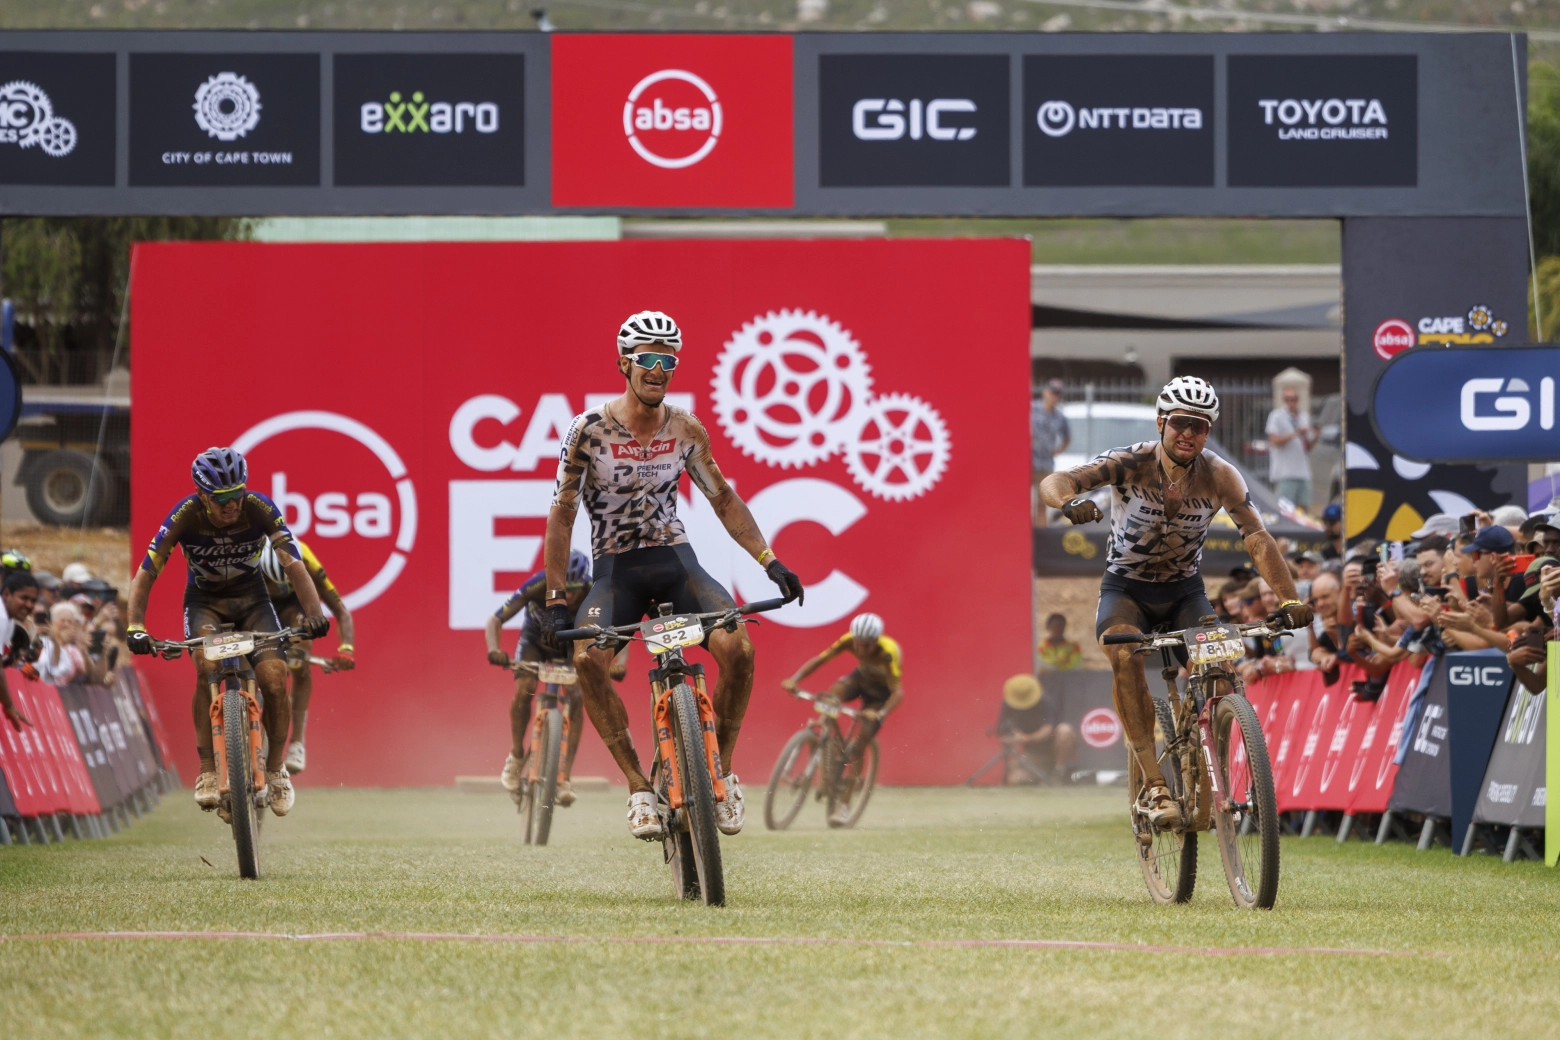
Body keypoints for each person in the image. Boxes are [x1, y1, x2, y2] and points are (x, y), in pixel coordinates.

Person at [544, 311, 804, 840]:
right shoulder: (587, 430)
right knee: (587, 661)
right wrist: (554, 599)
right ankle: (640, 789)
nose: (659, 370)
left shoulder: (686, 428)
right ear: (625, 364)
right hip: (616, 570)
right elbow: (562, 514)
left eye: (669, 360)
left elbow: (723, 499)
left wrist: (769, 560)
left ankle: (723, 775)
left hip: (676, 563)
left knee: (740, 651)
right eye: (648, 360)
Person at [1039, 375, 1311, 829]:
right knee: (1124, 654)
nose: (1189, 433)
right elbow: (1057, 479)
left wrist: (1289, 598)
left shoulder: (1220, 474)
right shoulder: (1131, 462)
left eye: (1201, 427)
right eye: (1182, 423)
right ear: (1162, 422)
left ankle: (1211, 758)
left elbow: (1257, 537)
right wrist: (1068, 503)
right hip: (1126, 589)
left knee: (1220, 658)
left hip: (1184, 590)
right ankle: (1155, 782)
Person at [125, 447, 330, 818]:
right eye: (222, 500)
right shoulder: (185, 515)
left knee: (274, 675)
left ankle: (276, 769)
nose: (232, 505)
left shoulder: (259, 507)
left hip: (253, 600)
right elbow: (146, 574)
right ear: (202, 496)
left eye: (237, 495)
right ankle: (206, 770)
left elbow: (294, 564)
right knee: (204, 666)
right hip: (205, 603)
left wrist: (314, 614)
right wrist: (135, 626)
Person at [486, 549, 625, 808]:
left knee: (577, 693)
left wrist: (619, 663)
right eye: (562, 590)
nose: (569, 596)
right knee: (525, 687)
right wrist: (495, 649)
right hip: (535, 640)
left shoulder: (592, 591)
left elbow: (616, 628)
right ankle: (516, 756)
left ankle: (563, 777)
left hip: (571, 643)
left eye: (574, 589)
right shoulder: (538, 584)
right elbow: (495, 619)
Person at [782, 612, 903, 825]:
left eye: (867, 645)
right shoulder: (848, 640)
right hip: (860, 679)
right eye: (859, 643)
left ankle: (844, 804)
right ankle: (826, 736)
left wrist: (880, 713)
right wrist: (795, 679)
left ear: (876, 641)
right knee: (830, 697)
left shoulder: (888, 653)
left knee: (861, 741)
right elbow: (821, 659)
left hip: (880, 694)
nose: (862, 649)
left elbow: (897, 692)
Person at [257, 538, 356, 775]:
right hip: (260, 607)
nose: (279, 588)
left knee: (299, 657)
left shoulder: (306, 558)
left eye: (285, 582)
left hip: (295, 608)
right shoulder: (249, 559)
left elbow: (341, 612)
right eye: (272, 583)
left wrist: (347, 648)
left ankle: (297, 743)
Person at [995, 673, 1076, 785]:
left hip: (1054, 750)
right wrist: (1009, 739)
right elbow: (1003, 730)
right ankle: (1042, 779)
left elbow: (1046, 731)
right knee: (1014, 778)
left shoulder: (1045, 701)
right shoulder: (1008, 704)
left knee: (1065, 730)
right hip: (1033, 755)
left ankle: (1059, 773)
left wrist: (1024, 738)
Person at [1265, 385, 1316, 511]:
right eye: (1287, 399)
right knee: (1285, 509)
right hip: (1285, 473)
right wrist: (1297, 433)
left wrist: (1316, 434)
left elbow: (1307, 447)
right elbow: (1274, 440)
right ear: (1283, 400)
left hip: (1303, 472)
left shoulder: (1304, 417)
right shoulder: (1277, 416)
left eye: (1293, 399)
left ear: (1298, 400)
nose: (1290, 402)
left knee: (1303, 509)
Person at [0, 570, 38, 730]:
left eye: (33, 601)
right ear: (7, 593)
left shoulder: (8, 620)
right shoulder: (1, 617)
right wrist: (9, 705)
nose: (29, 605)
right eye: (24, 598)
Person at [1030, 378, 1071, 527]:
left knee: (1042, 504)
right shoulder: (1031, 409)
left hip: (1046, 464)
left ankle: (1041, 535)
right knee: (1024, 503)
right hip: (1028, 462)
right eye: (1052, 393)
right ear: (1045, 392)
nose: (1055, 397)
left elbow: (1067, 436)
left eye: (1057, 394)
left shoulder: (1059, 417)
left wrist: (1059, 450)